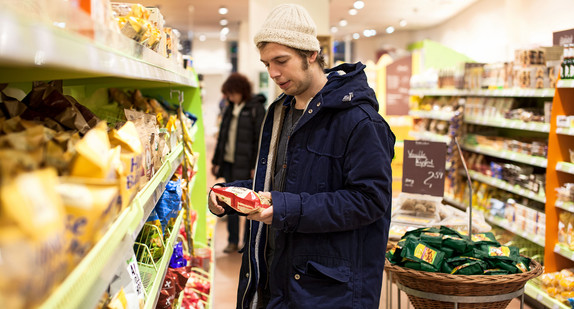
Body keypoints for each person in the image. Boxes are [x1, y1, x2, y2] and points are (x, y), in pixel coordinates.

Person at [208, 3, 395, 308]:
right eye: (266, 63)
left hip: (328, 292)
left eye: (281, 60)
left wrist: (285, 208)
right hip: (273, 278)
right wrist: (233, 194)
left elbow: (370, 201)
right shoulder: (279, 111)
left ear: (311, 54)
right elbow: (279, 182)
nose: (273, 73)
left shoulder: (360, 121)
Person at [211, 72, 266, 253]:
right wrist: (216, 161)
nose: (230, 97)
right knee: (229, 202)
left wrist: (254, 166)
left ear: (242, 90)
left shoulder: (255, 109)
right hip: (229, 162)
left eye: (232, 93)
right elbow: (222, 137)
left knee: (248, 205)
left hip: (246, 165)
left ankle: (246, 242)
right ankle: (232, 241)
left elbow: (260, 140)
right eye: (228, 94)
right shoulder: (229, 108)